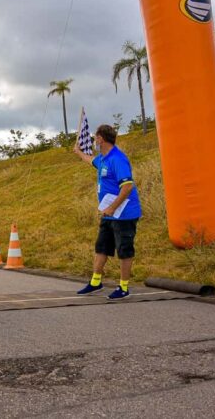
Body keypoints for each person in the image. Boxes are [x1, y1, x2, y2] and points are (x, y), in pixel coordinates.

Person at [73, 124, 142, 300]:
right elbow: (91, 161)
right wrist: (78, 152)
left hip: (124, 213)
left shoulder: (117, 159)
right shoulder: (103, 158)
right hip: (109, 213)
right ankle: (96, 282)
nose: (94, 141)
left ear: (101, 139)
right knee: (102, 247)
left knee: (124, 249)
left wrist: (113, 206)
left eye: (96, 138)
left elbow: (127, 186)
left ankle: (124, 287)